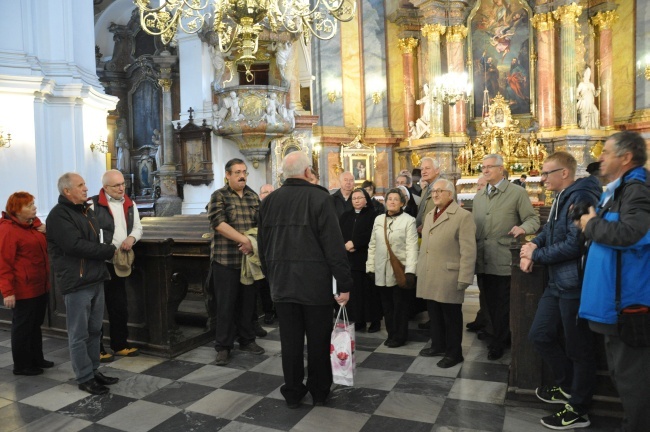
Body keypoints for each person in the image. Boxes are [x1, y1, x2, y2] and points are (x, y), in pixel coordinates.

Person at [258, 151, 352, 408]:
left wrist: (272, 278)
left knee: (290, 342)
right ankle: (319, 391)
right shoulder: (321, 199)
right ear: (308, 172)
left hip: (283, 284)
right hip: (316, 286)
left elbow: (262, 247)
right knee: (319, 341)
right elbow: (334, 247)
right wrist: (344, 284)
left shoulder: (269, 201)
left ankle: (293, 391)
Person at [519, 152, 601, 430]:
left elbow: (573, 245)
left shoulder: (581, 197)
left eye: (546, 173)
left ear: (564, 173)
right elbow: (549, 231)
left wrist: (537, 254)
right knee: (540, 335)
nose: (542, 178)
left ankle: (579, 409)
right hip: (558, 282)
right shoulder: (562, 197)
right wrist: (532, 246)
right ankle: (567, 386)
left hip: (574, 283)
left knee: (579, 348)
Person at [577, 131, 650, 432]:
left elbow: (629, 234)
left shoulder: (637, 190)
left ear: (626, 157)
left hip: (627, 303)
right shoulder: (618, 190)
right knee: (622, 377)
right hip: (611, 301)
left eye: (606, 152)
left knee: (634, 383)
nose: (600, 157)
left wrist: (591, 224)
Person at [46, 173, 120, 395]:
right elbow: (74, 246)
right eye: (80, 185)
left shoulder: (85, 211)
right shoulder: (59, 216)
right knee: (79, 334)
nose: (86, 188)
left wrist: (105, 246)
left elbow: (95, 238)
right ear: (67, 191)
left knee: (95, 330)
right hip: (77, 281)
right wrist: (108, 251)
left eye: (85, 184)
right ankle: (84, 377)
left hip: (95, 277)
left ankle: (94, 370)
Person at [473, 154, 540, 360]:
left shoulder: (516, 192)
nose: (485, 171)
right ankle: (493, 332)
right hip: (483, 257)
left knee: (501, 303)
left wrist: (522, 227)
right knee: (486, 300)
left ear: (501, 169)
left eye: (489, 167)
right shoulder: (479, 196)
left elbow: (533, 219)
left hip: (502, 256)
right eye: (483, 167)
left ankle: (499, 341)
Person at [207, 159, 264, 366]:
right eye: (238, 172)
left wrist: (253, 244)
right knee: (226, 305)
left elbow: (261, 224)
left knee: (248, 303)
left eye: (244, 172)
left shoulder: (252, 196)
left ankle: (247, 339)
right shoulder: (219, 196)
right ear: (228, 175)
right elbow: (218, 224)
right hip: (225, 259)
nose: (242, 176)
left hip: (248, 260)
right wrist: (244, 240)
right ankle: (223, 346)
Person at [417, 179, 476, 368]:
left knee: (451, 318)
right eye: (433, 191)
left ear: (450, 194)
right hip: (430, 273)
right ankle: (438, 345)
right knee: (434, 314)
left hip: (449, 275)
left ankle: (454, 353)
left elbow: (468, 251)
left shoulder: (462, 216)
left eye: (439, 191)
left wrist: (465, 278)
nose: (434, 194)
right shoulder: (429, 215)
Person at [91, 170, 143, 362]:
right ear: (105, 188)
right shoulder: (93, 204)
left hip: (119, 262)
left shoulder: (130, 204)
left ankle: (120, 345)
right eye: (116, 185)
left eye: (123, 184)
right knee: (95, 308)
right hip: (99, 262)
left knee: (119, 305)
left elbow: (138, 227)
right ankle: (97, 348)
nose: (122, 188)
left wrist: (131, 237)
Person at [0, 192, 53, 376]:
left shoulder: (33, 226)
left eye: (33, 204)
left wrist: (47, 230)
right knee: (23, 327)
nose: (34, 207)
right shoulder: (8, 230)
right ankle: (22, 365)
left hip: (40, 284)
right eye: (29, 205)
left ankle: (36, 358)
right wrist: (8, 292)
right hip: (23, 288)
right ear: (17, 210)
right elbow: (3, 263)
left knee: (35, 324)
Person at [367, 188, 418, 348]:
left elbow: (412, 247)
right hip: (382, 269)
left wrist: (410, 271)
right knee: (387, 306)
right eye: (390, 199)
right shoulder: (378, 220)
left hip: (399, 270)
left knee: (400, 306)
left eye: (396, 199)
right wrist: (370, 267)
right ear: (385, 201)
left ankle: (400, 336)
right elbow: (372, 244)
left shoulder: (408, 220)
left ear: (402, 203)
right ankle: (391, 334)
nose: (392, 202)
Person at [339, 188, 381, 332]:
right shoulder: (345, 216)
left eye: (359, 198)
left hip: (366, 258)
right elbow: (339, 232)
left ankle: (375, 321)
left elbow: (373, 234)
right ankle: (359, 320)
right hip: (350, 260)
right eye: (354, 198)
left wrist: (356, 243)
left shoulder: (374, 215)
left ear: (366, 199)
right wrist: (346, 244)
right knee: (355, 293)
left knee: (370, 293)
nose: (356, 200)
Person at [256, 184, 275, 325]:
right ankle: (268, 311)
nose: (268, 194)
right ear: (260, 195)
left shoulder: (280, 209)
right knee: (264, 284)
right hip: (261, 251)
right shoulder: (257, 209)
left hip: (277, 252)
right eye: (265, 192)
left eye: (271, 192)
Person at [416, 157, 443, 231]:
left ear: (437, 170)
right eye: (422, 169)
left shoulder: (444, 187)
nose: (423, 172)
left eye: (427, 168)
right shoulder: (425, 188)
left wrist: (425, 226)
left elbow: (445, 213)